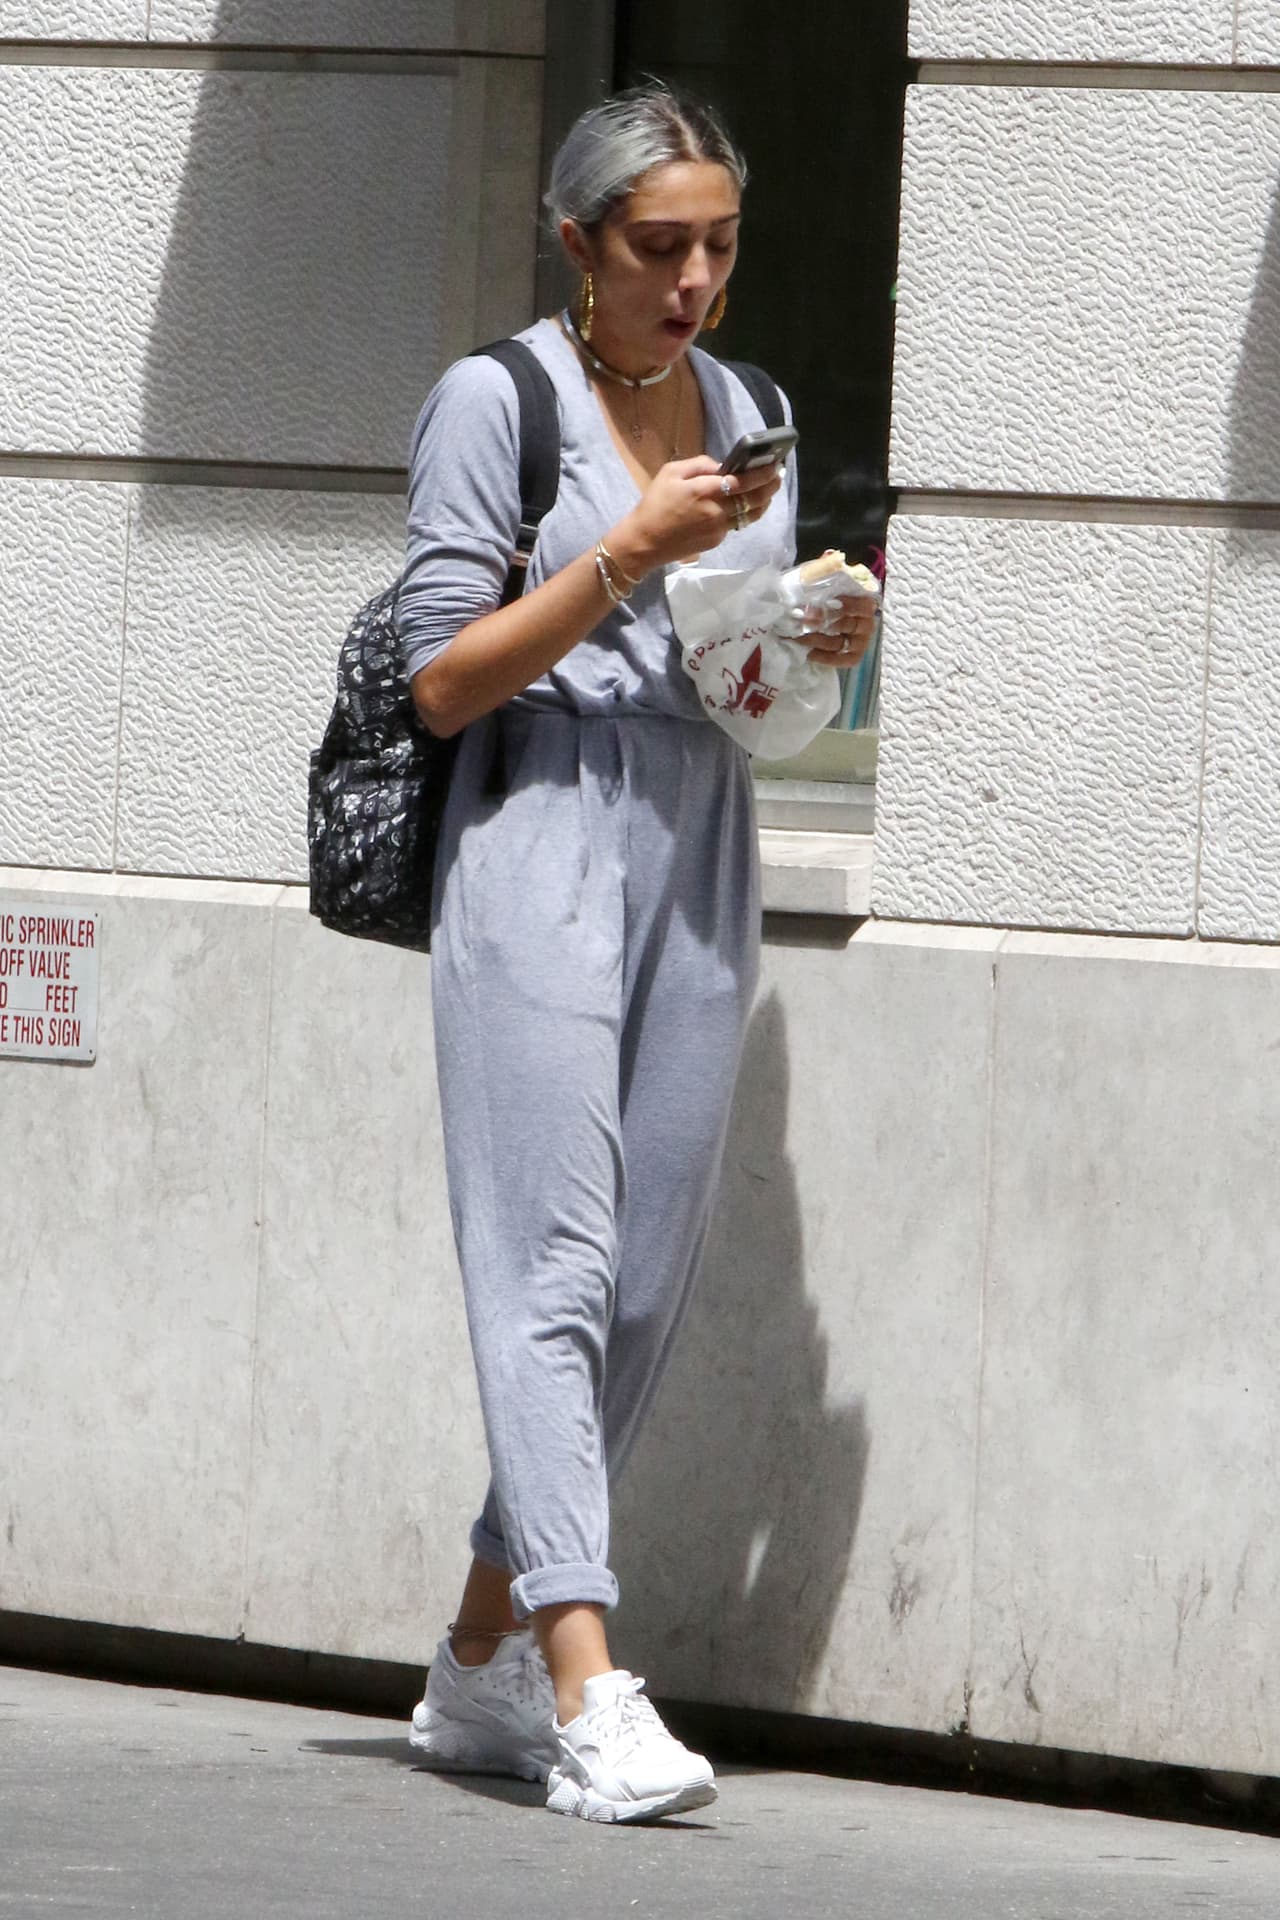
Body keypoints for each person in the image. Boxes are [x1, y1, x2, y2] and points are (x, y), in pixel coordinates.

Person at [398, 84, 876, 1825]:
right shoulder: (495, 401)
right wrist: (621, 554)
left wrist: (819, 633)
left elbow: (752, 699)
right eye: (658, 248)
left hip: (697, 838)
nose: (693, 283)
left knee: (646, 1286)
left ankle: (474, 1663)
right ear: (581, 244)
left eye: (720, 248)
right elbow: (441, 681)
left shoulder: (751, 411)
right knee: (554, 1265)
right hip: (533, 824)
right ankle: (590, 1690)